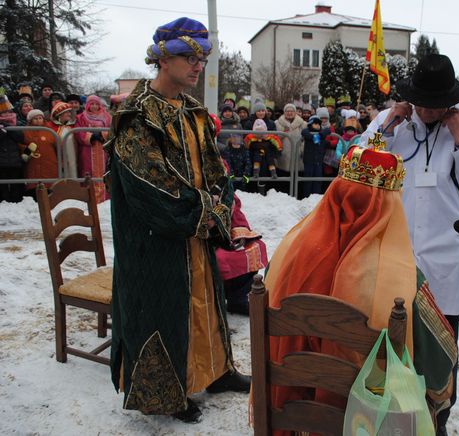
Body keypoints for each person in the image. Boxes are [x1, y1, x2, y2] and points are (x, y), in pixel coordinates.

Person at [105, 16, 250, 424]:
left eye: (201, 57)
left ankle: (216, 371)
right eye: (189, 56)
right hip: (156, 240)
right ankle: (167, 394)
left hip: (194, 232)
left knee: (207, 300)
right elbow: (147, 186)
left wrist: (219, 205)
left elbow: (216, 169)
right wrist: (200, 214)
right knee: (163, 310)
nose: (197, 64)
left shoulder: (193, 111)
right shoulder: (137, 115)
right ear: (163, 59)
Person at [263, 141, 458, 434]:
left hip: (291, 415)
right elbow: (439, 365)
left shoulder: (285, 256)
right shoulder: (404, 282)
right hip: (365, 422)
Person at [359, 53, 459, 435]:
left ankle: (436, 422)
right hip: (391, 255)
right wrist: (386, 127)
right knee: (385, 346)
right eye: (420, 102)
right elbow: (355, 169)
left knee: (439, 357)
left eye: (434, 105)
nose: (425, 111)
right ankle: (387, 420)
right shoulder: (395, 120)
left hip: (445, 263)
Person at [75, 95, 111, 201]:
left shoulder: (107, 116)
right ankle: (89, 196)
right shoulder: (80, 117)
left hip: (102, 148)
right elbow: (78, 132)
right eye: (92, 104)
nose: (94, 106)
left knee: (104, 171)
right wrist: (90, 136)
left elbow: (112, 129)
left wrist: (102, 135)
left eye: (96, 104)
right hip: (88, 150)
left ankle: (105, 197)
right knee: (87, 171)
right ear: (87, 105)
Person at [20, 109, 58, 198]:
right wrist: (27, 150)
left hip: (49, 161)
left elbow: (58, 145)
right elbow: (20, 145)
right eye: (35, 118)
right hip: (32, 162)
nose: (38, 120)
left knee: (49, 180)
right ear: (30, 120)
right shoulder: (25, 131)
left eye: (40, 118)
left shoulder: (50, 131)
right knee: (34, 180)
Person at [0, 93, 25, 203]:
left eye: (9, 111)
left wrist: (9, 128)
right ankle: (4, 199)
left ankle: (16, 200)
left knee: (16, 183)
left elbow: (21, 137)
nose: (7, 114)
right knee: (3, 184)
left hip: (16, 159)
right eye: (4, 112)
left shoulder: (17, 123)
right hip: (2, 159)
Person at [274, 103, 306, 180]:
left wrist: (302, 150)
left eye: (291, 111)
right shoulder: (277, 123)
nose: (289, 113)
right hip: (282, 155)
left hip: (298, 156)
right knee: (283, 178)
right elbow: (274, 138)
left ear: (295, 112)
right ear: (284, 112)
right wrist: (283, 132)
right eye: (287, 111)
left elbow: (305, 139)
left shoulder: (303, 124)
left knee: (297, 178)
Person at [45, 101, 77, 178]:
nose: (69, 114)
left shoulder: (72, 126)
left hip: (73, 160)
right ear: (60, 114)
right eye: (67, 112)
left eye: (69, 112)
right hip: (59, 161)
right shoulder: (50, 127)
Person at [301, 115, 329, 197]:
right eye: (315, 123)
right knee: (308, 180)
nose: (317, 125)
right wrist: (314, 136)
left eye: (318, 124)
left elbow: (328, 130)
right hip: (308, 161)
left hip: (319, 161)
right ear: (310, 124)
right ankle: (306, 196)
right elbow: (304, 132)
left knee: (318, 180)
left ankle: (316, 197)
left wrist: (319, 136)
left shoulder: (322, 133)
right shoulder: (307, 132)